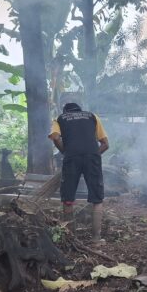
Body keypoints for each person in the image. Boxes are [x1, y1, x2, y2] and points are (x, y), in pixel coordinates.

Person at [49, 102, 109, 242]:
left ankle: (71, 239)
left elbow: (56, 137)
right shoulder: (92, 116)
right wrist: (93, 155)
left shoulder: (60, 118)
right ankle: (96, 238)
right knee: (97, 199)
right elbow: (106, 144)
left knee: (68, 199)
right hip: (92, 157)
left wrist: (65, 151)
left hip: (71, 158)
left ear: (66, 111)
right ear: (79, 110)